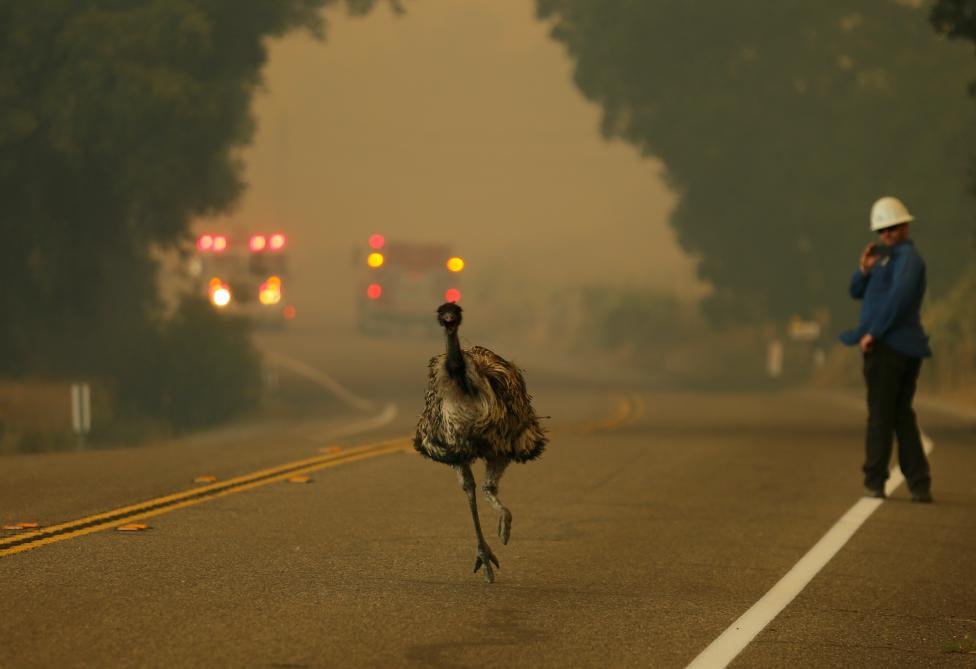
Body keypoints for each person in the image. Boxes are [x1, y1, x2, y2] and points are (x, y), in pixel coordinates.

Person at [839, 196, 933, 503]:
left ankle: (875, 479)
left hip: (892, 348)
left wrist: (873, 334)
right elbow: (855, 291)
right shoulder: (885, 260)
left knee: (881, 415)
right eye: (882, 230)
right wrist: (864, 269)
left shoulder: (908, 259)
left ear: (905, 226)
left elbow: (899, 300)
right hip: (890, 347)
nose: (887, 234)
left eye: (892, 228)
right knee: (900, 416)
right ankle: (919, 482)